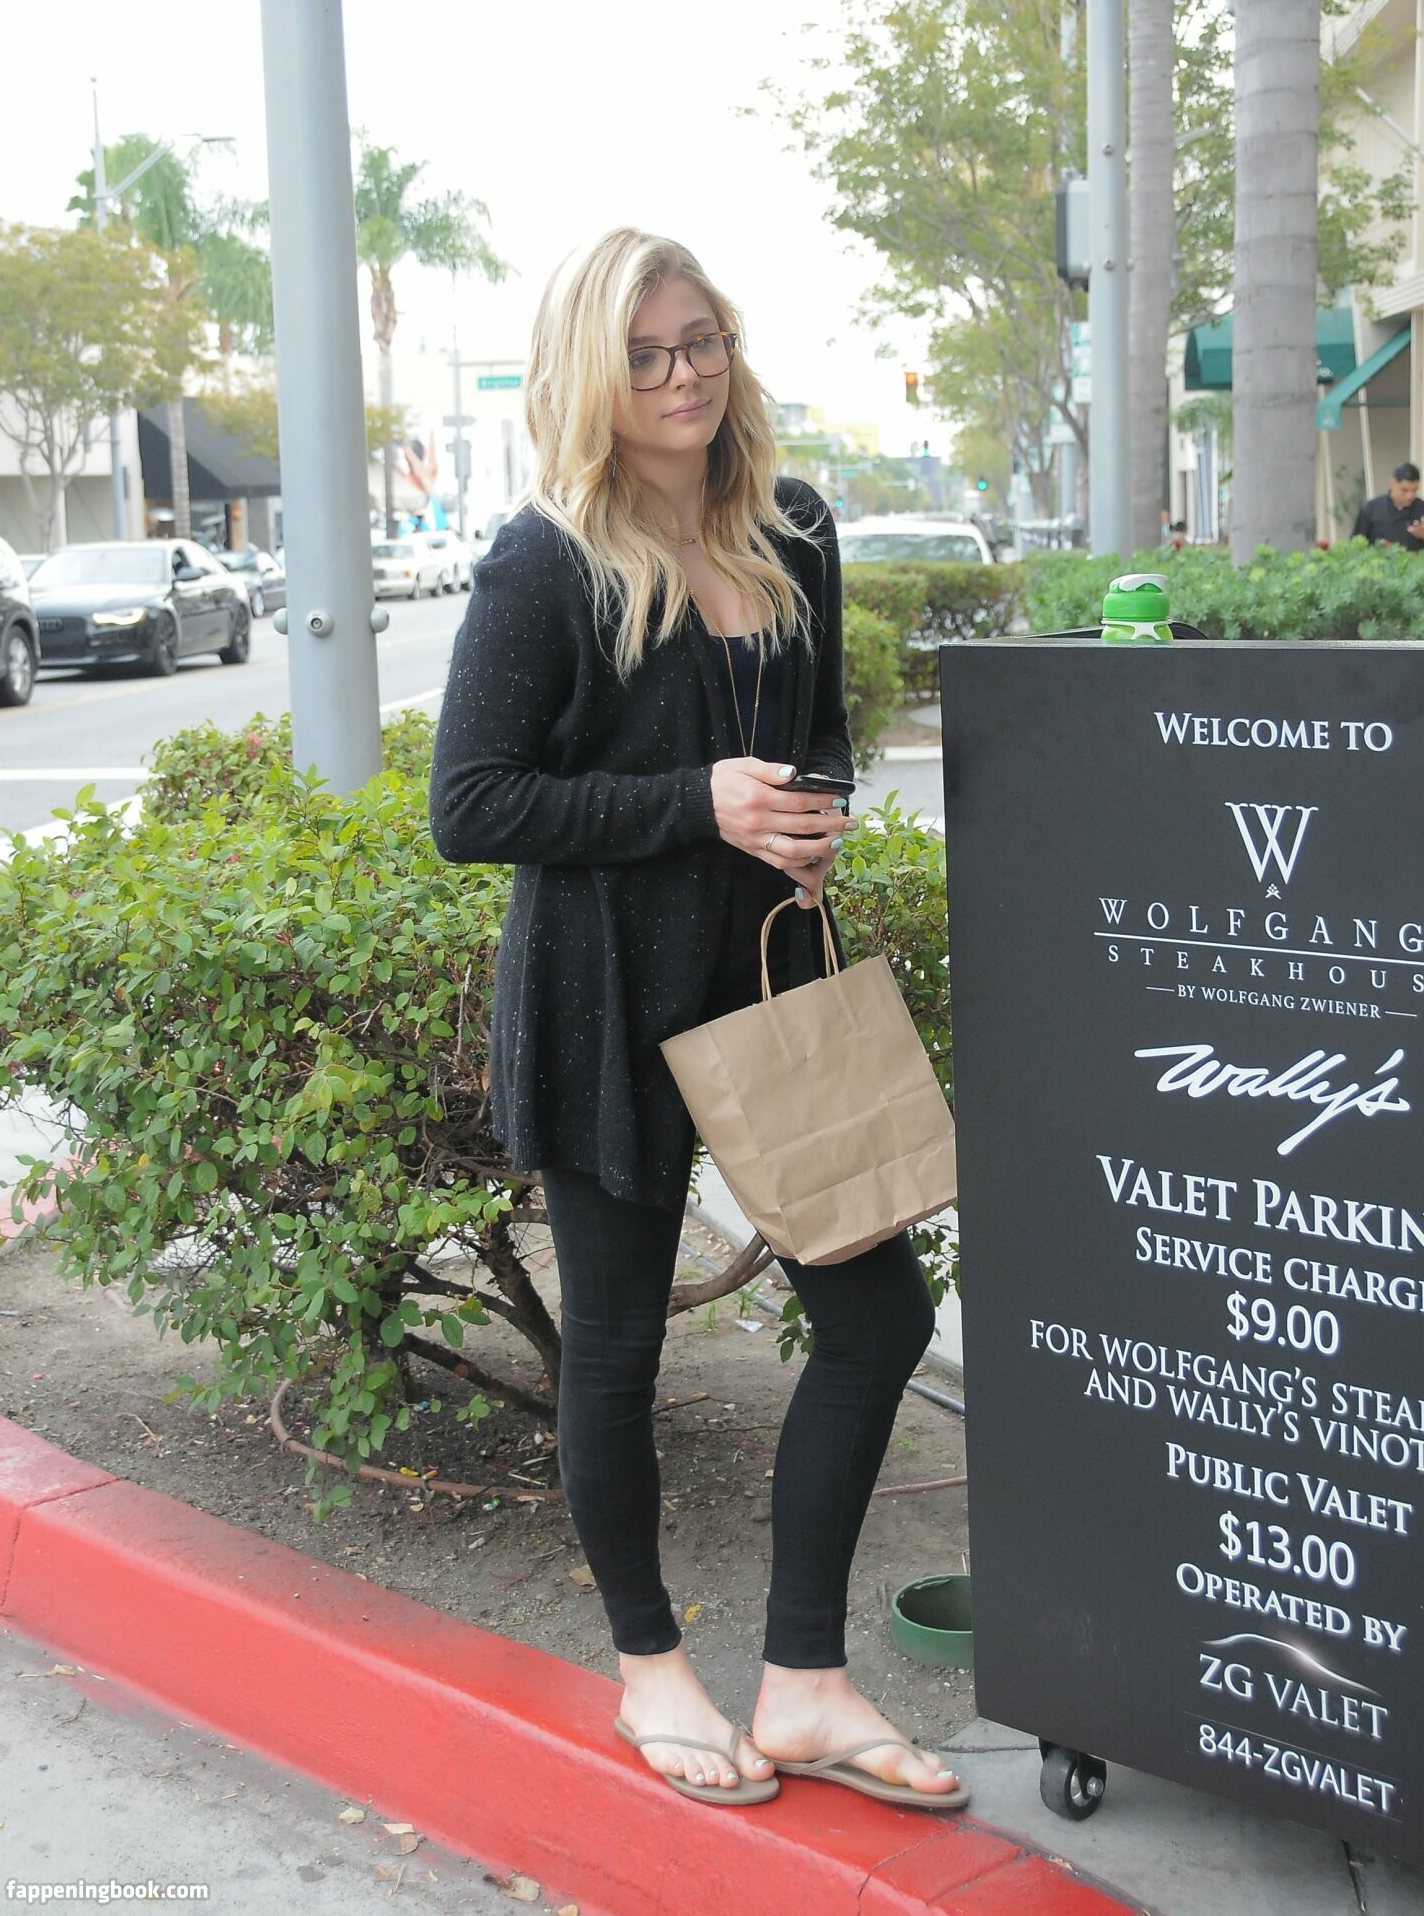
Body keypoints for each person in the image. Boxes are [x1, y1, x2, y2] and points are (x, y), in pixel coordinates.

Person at [428, 228, 967, 1814]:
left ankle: (802, 1682)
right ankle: (651, 1670)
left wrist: (809, 817)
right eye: (647, 355)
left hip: (770, 989)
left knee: (875, 1321)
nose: (684, 376)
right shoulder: (546, 561)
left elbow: (816, 737)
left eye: (701, 340)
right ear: (589, 377)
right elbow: (472, 802)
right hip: (602, 997)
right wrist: (697, 801)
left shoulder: (794, 527)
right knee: (614, 1349)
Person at [1352, 462, 1424, 548]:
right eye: (1404, 490)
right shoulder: (1370, 509)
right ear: (1392, 484)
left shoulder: (1421, 508)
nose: (1410, 496)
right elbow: (1355, 546)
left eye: (1414, 490)